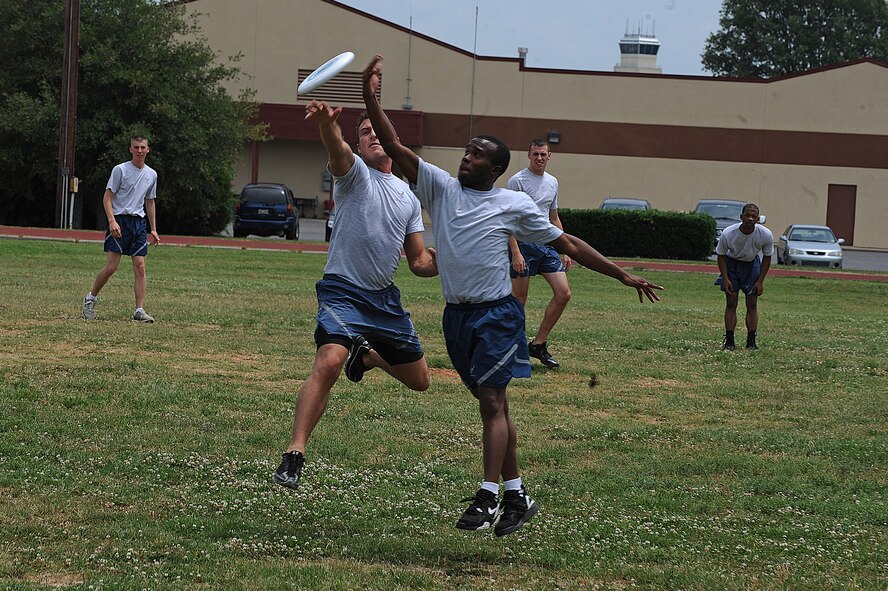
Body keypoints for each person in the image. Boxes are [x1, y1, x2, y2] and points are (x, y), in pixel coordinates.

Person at [361, 54, 663, 537]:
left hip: (498, 316)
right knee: (494, 406)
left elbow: (568, 243)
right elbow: (394, 144)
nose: (466, 157)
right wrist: (370, 94)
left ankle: (487, 496)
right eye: (466, 150)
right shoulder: (441, 188)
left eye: (477, 154)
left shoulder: (513, 203)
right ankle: (518, 495)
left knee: (491, 402)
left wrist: (622, 275)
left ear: (496, 168)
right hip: (456, 318)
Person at [273, 100, 438, 489]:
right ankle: (294, 454)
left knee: (419, 380)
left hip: (384, 299)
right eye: (365, 133)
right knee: (329, 362)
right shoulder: (355, 175)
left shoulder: (409, 197)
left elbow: (418, 261)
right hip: (343, 291)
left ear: (393, 140)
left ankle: (367, 356)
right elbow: (338, 150)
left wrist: (446, 261)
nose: (373, 137)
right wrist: (328, 127)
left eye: (378, 132)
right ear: (360, 144)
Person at [506, 140, 571, 368]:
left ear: (549, 156)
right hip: (522, 246)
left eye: (543, 154)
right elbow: (508, 219)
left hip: (546, 245)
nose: (539, 158)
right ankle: (511, 348)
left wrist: (565, 248)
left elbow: (553, 217)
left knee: (563, 294)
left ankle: (538, 344)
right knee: (519, 299)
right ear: (529, 155)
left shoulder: (552, 182)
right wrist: (516, 252)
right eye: (535, 154)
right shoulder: (517, 181)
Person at [81, 135, 160, 323]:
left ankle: (139, 310)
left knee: (140, 267)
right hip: (119, 221)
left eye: (142, 147)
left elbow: (150, 201)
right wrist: (112, 221)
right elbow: (107, 197)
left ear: (148, 150)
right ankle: (90, 299)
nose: (139, 150)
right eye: (136, 147)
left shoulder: (152, 174)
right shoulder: (120, 170)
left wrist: (154, 228)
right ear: (130, 149)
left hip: (138, 223)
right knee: (111, 267)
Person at [715, 203, 773, 350]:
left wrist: (760, 281)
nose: (750, 218)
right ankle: (729, 341)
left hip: (752, 265)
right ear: (741, 217)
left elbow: (767, 257)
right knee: (731, 302)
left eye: (754, 216)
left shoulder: (765, 234)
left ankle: (751, 341)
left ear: (758, 219)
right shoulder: (729, 233)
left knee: (752, 303)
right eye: (747, 215)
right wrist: (725, 278)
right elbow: (721, 255)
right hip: (732, 265)